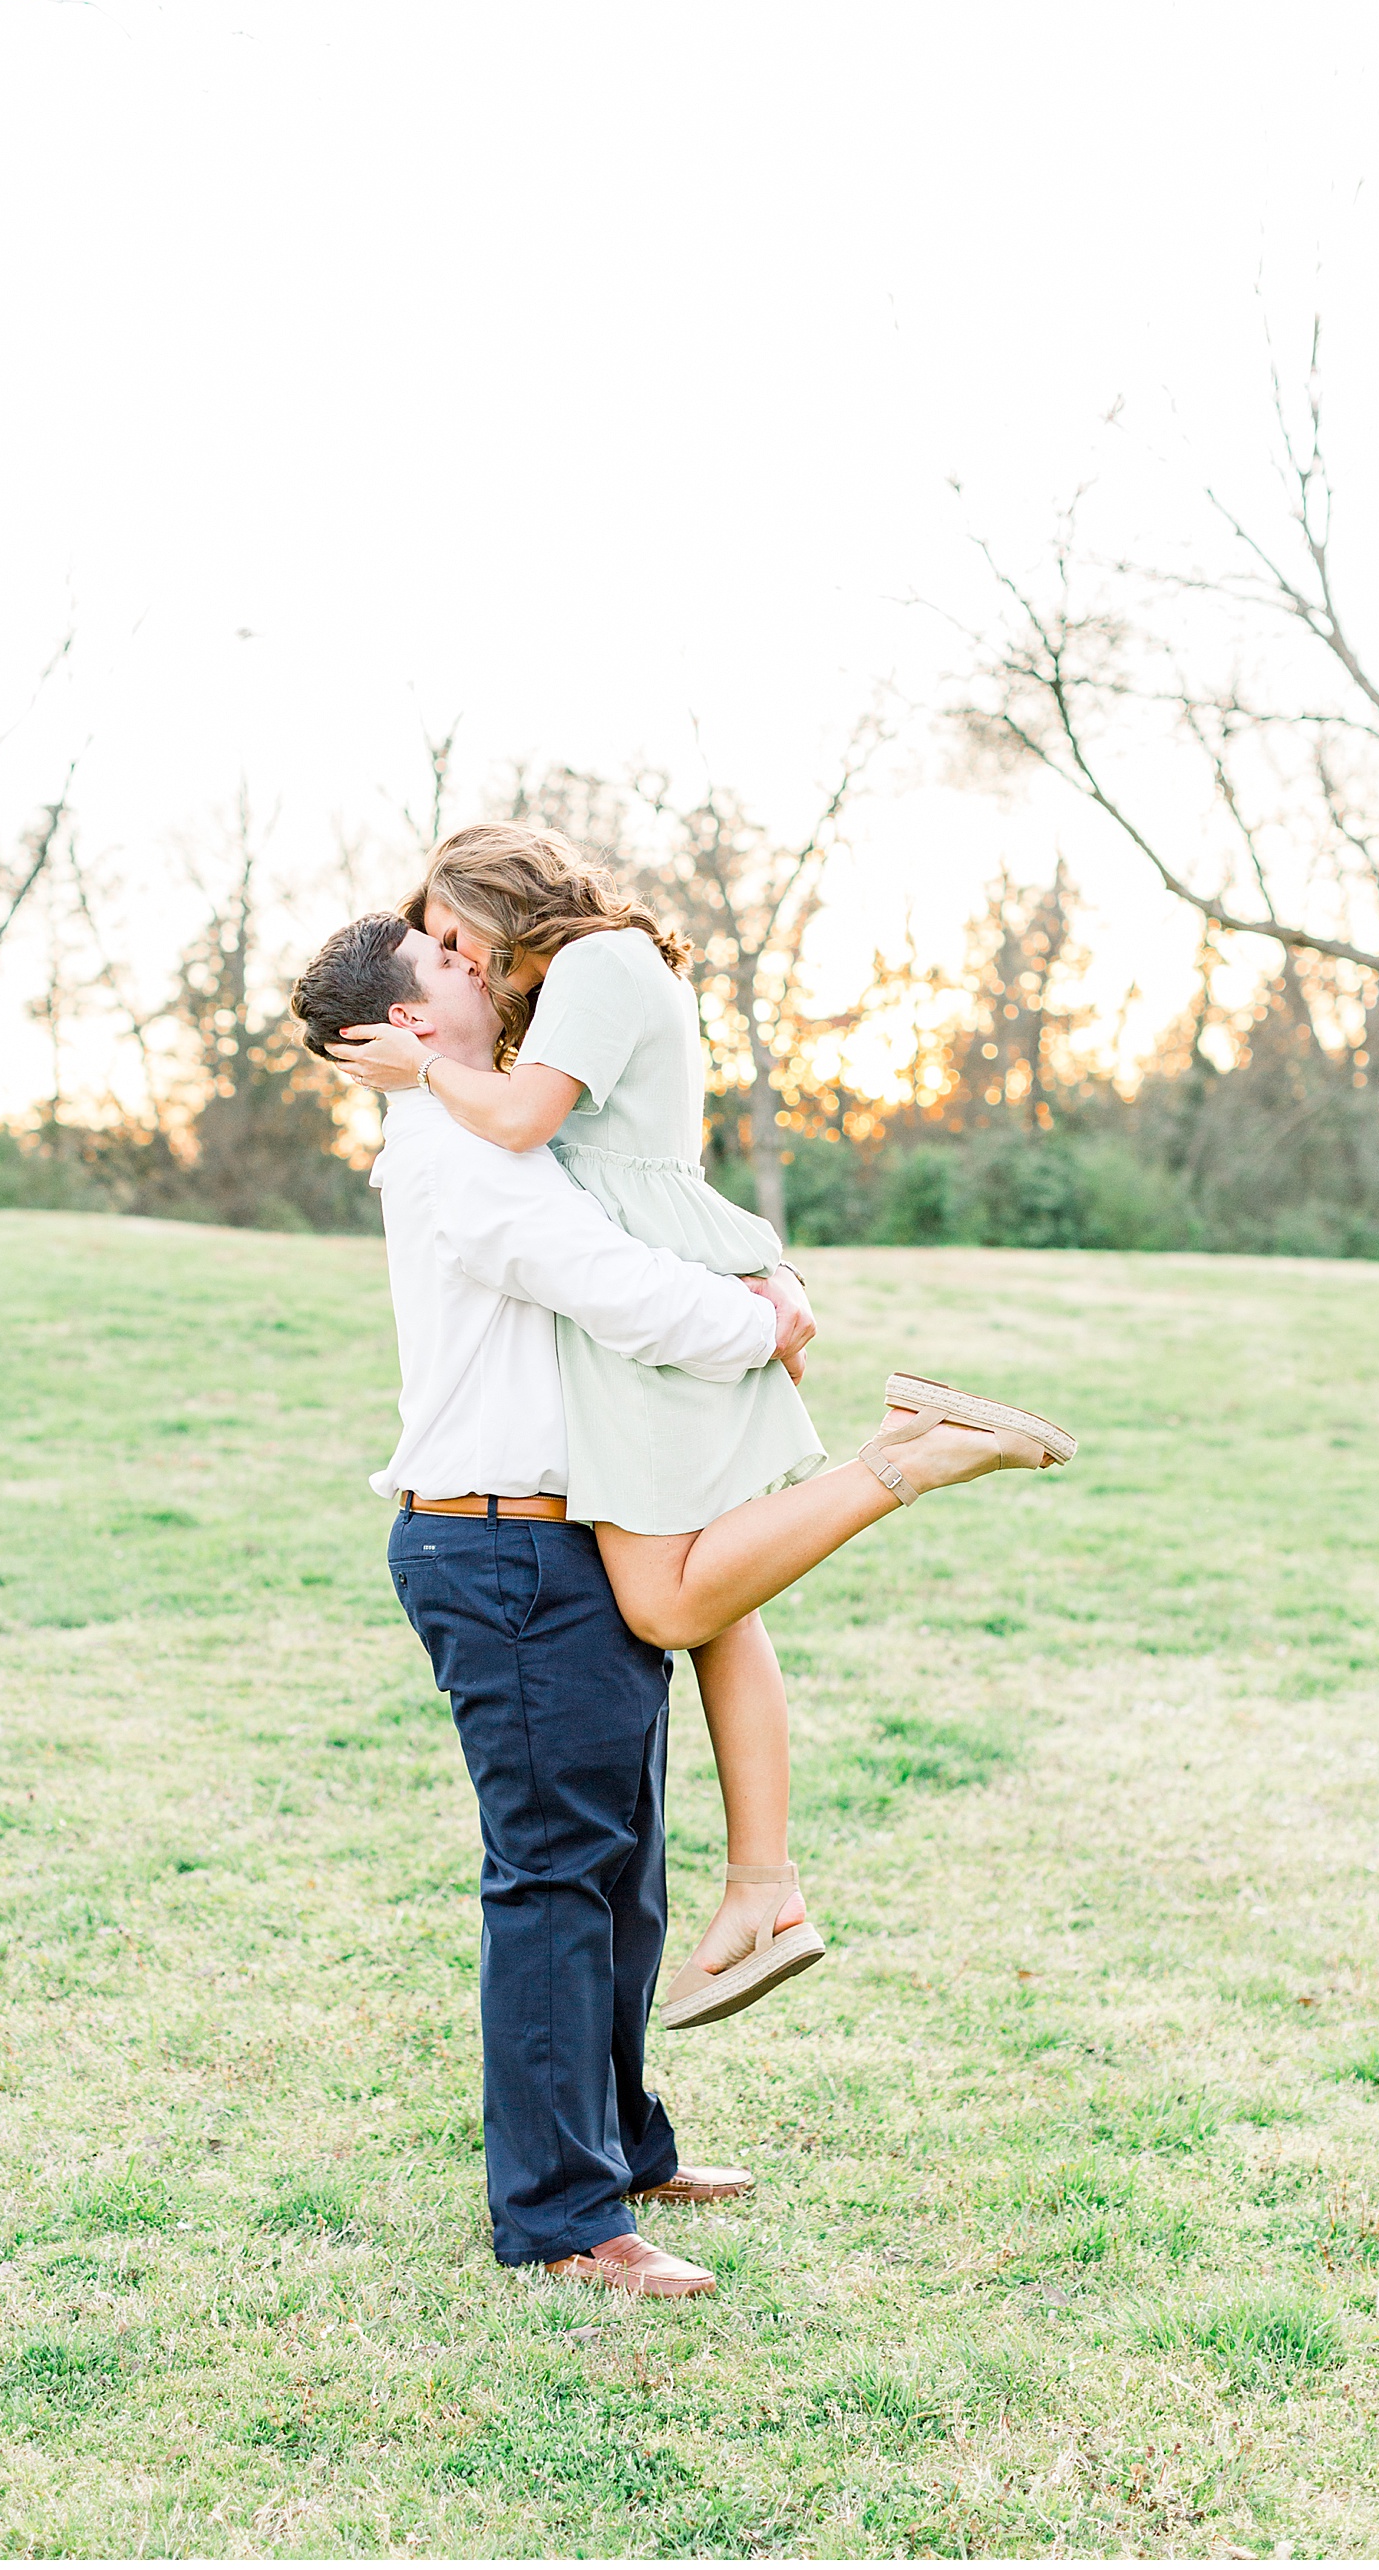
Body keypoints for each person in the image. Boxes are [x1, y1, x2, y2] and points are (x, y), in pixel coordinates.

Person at [328, 824, 1075, 2032]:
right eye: (444, 953)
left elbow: (525, 1126)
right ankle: (764, 1890)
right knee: (722, 1608)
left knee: (673, 1603)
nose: (464, 961)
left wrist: (417, 1073)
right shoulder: (592, 977)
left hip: (650, 1319)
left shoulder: (594, 965)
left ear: (501, 898)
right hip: (659, 1293)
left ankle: (902, 1455)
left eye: (461, 936)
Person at [289, 910, 815, 2299]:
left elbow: (648, 1218)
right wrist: (761, 1323)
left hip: (564, 1539)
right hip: (500, 1548)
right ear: (411, 1023)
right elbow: (616, 1288)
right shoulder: (454, 1152)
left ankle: (624, 2146)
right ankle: (562, 2217)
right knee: (553, 1883)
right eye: (447, 960)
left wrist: (762, 1273)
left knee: (618, 1872)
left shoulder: (508, 1128)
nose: (480, 962)